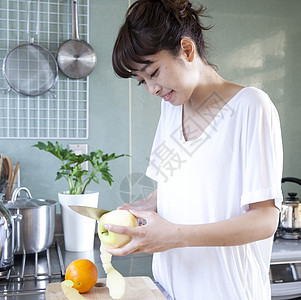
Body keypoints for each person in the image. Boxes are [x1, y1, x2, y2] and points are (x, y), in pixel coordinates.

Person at [105, 0, 283, 299]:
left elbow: (265, 219)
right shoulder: (172, 109)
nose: (152, 89)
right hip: (170, 290)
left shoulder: (251, 106)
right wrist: (144, 207)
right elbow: (176, 187)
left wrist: (174, 236)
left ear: (187, 50)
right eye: (142, 81)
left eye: (154, 72)